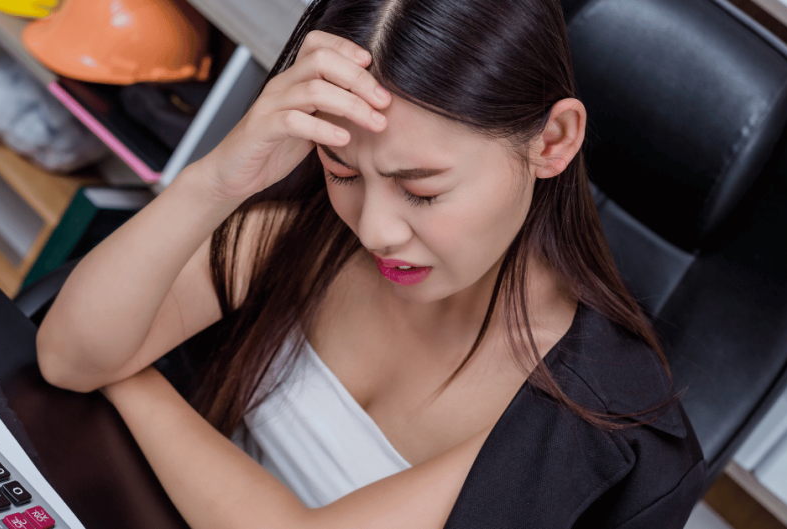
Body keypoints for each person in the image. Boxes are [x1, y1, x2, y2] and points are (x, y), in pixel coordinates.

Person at [36, 0, 708, 526]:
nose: (376, 230)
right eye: (342, 170)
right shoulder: (305, 238)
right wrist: (216, 179)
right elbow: (69, 355)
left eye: (423, 189)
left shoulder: (584, 417)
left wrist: (127, 378)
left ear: (553, 142)